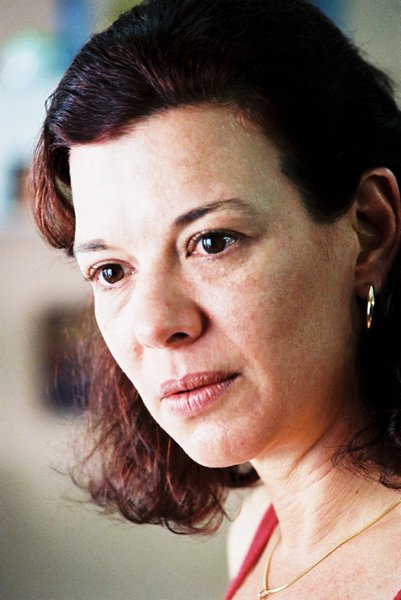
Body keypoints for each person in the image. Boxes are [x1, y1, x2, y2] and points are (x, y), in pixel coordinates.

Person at [31, 0, 401, 597]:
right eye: (110, 270)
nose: (154, 324)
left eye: (212, 241)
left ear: (369, 228)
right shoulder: (258, 532)